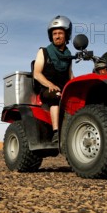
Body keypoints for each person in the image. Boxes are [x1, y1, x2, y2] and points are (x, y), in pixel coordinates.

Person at [32, 15, 74, 144]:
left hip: (63, 89)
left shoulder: (68, 55)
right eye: (54, 33)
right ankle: (56, 133)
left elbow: (70, 75)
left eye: (60, 33)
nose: (57, 36)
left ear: (66, 35)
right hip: (46, 90)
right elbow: (37, 74)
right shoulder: (43, 52)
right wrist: (49, 84)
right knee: (56, 95)